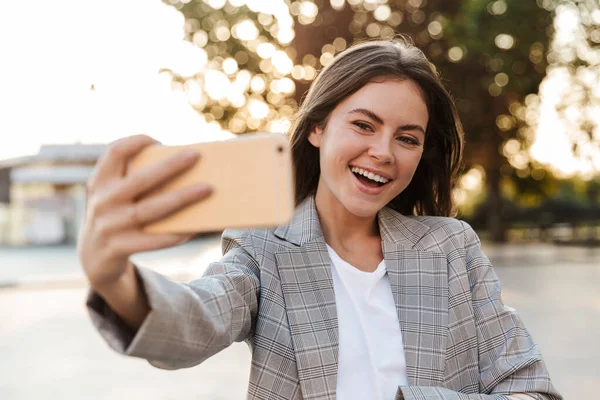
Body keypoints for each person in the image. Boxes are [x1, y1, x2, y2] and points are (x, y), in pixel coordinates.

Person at [79, 37, 562, 400]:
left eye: (407, 138)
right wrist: (114, 278)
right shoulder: (263, 247)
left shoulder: (453, 247)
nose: (382, 152)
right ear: (317, 127)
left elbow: (531, 389)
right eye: (363, 125)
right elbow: (193, 322)